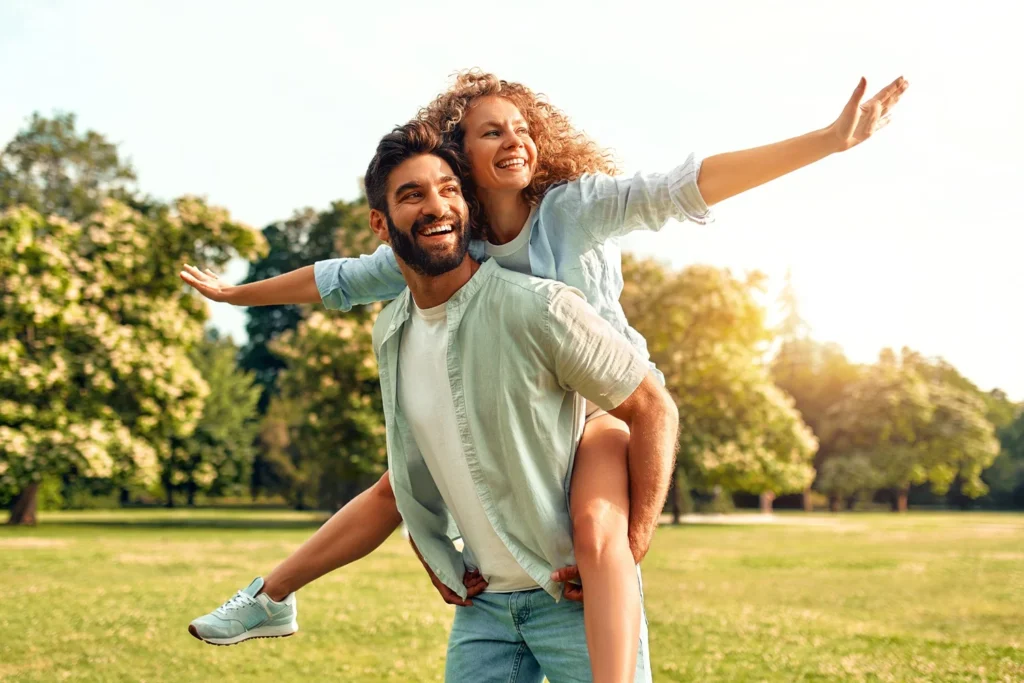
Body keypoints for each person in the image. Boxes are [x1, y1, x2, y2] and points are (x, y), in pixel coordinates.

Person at [183, 71, 908, 680]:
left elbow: (686, 186)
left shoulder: (574, 209)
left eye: (523, 127)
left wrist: (828, 140)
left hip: (601, 412)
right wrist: (235, 294)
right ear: (461, 156)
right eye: (492, 130)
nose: (516, 139)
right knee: (398, 484)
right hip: (520, 416)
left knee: (599, 533)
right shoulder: (447, 233)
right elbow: (338, 278)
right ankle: (272, 592)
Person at [192, 121, 679, 681]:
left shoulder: (541, 307)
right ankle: (270, 595)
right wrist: (436, 553)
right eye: (412, 194)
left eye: (448, 188)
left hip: (572, 597)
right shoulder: (393, 330)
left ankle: (270, 595)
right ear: (380, 223)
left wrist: (632, 541)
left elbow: (652, 406)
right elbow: (411, 474)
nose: (436, 206)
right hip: (486, 609)